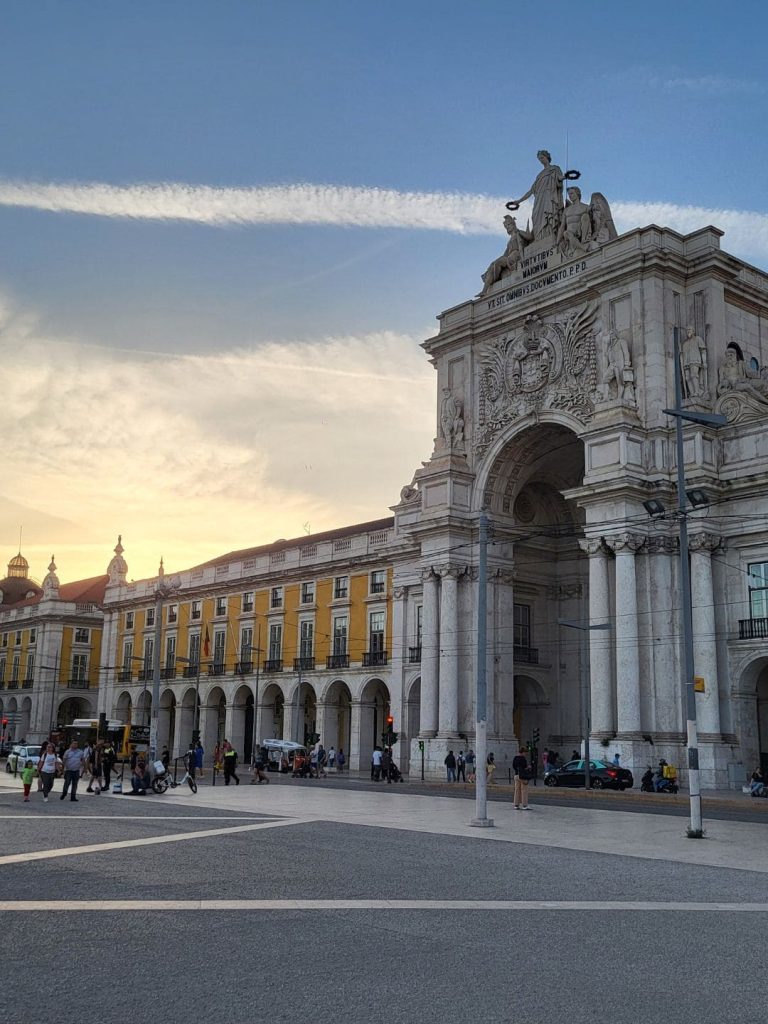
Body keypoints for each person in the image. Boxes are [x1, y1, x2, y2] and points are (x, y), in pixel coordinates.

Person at [509, 149, 566, 241]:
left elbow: (559, 178)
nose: (541, 160)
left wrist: (565, 176)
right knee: (536, 217)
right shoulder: (539, 175)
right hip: (539, 199)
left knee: (548, 215)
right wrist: (519, 201)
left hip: (549, 196)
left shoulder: (554, 169)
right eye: (539, 159)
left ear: (547, 157)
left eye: (542, 158)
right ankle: (540, 239)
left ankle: (550, 235)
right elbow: (531, 191)